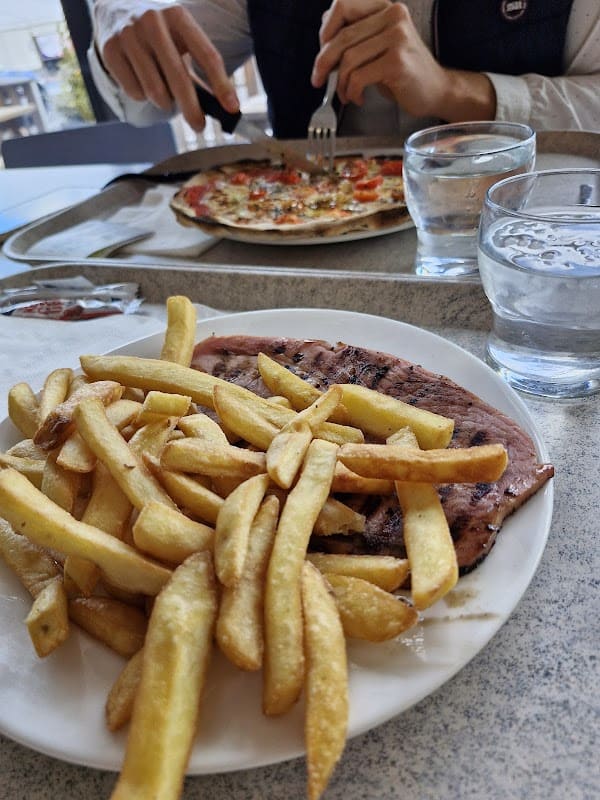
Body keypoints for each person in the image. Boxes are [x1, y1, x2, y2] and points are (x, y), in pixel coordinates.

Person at [89, 0, 600, 143]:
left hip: (524, 248)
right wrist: (118, 11)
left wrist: (455, 91)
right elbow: (141, 106)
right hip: (294, 255)